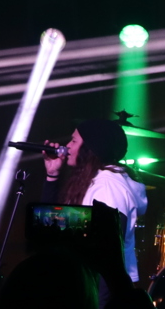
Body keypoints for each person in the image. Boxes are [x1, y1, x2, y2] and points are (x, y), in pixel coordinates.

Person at [42, 117, 150, 283]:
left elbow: (109, 254)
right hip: (86, 285)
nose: (68, 146)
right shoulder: (91, 181)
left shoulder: (107, 186)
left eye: (74, 141)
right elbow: (50, 224)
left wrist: (99, 300)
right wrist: (52, 175)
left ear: (90, 148)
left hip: (101, 291)